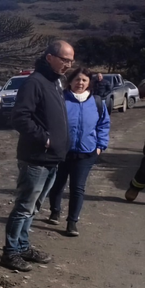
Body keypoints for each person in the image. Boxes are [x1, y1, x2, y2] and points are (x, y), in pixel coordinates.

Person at [1, 40, 74, 272]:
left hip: (52, 159)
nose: (68, 65)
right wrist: (46, 139)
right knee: (24, 207)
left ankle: (23, 246)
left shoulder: (55, 82)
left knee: (33, 208)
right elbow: (20, 117)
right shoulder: (35, 82)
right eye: (65, 60)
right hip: (36, 158)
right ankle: (11, 251)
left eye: (71, 61)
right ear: (50, 57)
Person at [47, 68, 110, 237]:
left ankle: (72, 222)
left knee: (78, 188)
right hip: (62, 152)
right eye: (77, 80)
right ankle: (54, 211)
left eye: (84, 80)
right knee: (57, 183)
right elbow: (50, 122)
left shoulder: (97, 102)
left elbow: (103, 125)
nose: (80, 83)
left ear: (89, 83)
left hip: (86, 152)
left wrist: (100, 146)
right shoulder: (61, 99)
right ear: (70, 81)